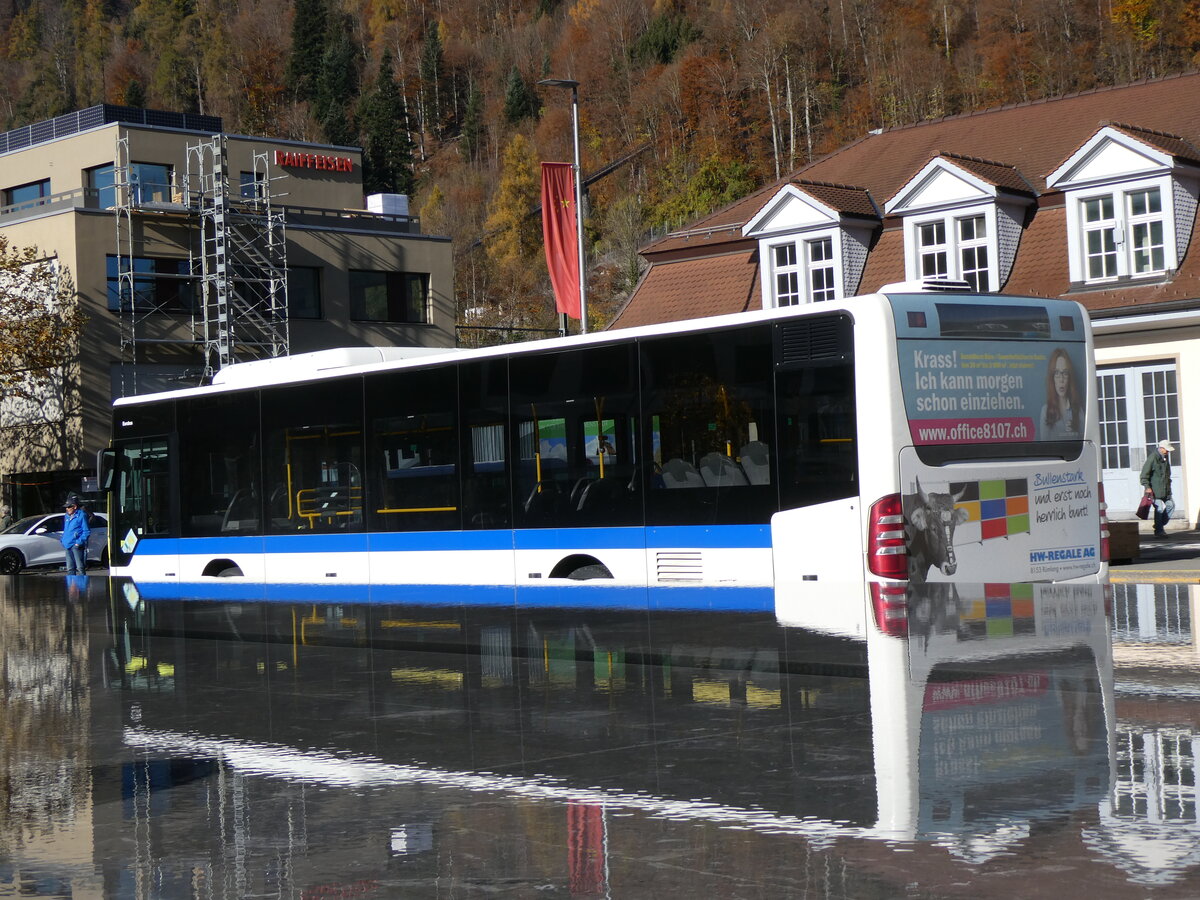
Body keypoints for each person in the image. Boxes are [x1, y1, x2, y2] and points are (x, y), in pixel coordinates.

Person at [1039, 348, 1082, 440]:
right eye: (1057, 373)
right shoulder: (1045, 412)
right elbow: (1044, 447)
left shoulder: (1078, 411)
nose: (1061, 379)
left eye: (1065, 373)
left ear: (1069, 377)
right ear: (1052, 378)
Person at [1140, 439, 1176, 536]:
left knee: (1171, 505)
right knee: (1159, 508)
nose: (1168, 452)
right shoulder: (1152, 458)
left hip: (1166, 490)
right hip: (1155, 490)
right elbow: (1144, 475)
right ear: (1161, 448)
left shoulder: (1165, 458)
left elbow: (1167, 475)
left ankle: (1158, 525)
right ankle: (1159, 530)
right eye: (1167, 450)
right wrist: (1147, 487)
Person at [61, 499, 91, 574]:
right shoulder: (67, 516)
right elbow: (66, 529)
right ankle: (71, 585)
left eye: (68, 507)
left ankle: (82, 585)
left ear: (74, 506)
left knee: (80, 568)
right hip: (67, 544)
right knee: (70, 569)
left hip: (76, 545)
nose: (67, 509)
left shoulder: (81, 515)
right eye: (66, 507)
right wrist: (63, 540)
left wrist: (79, 542)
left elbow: (86, 531)